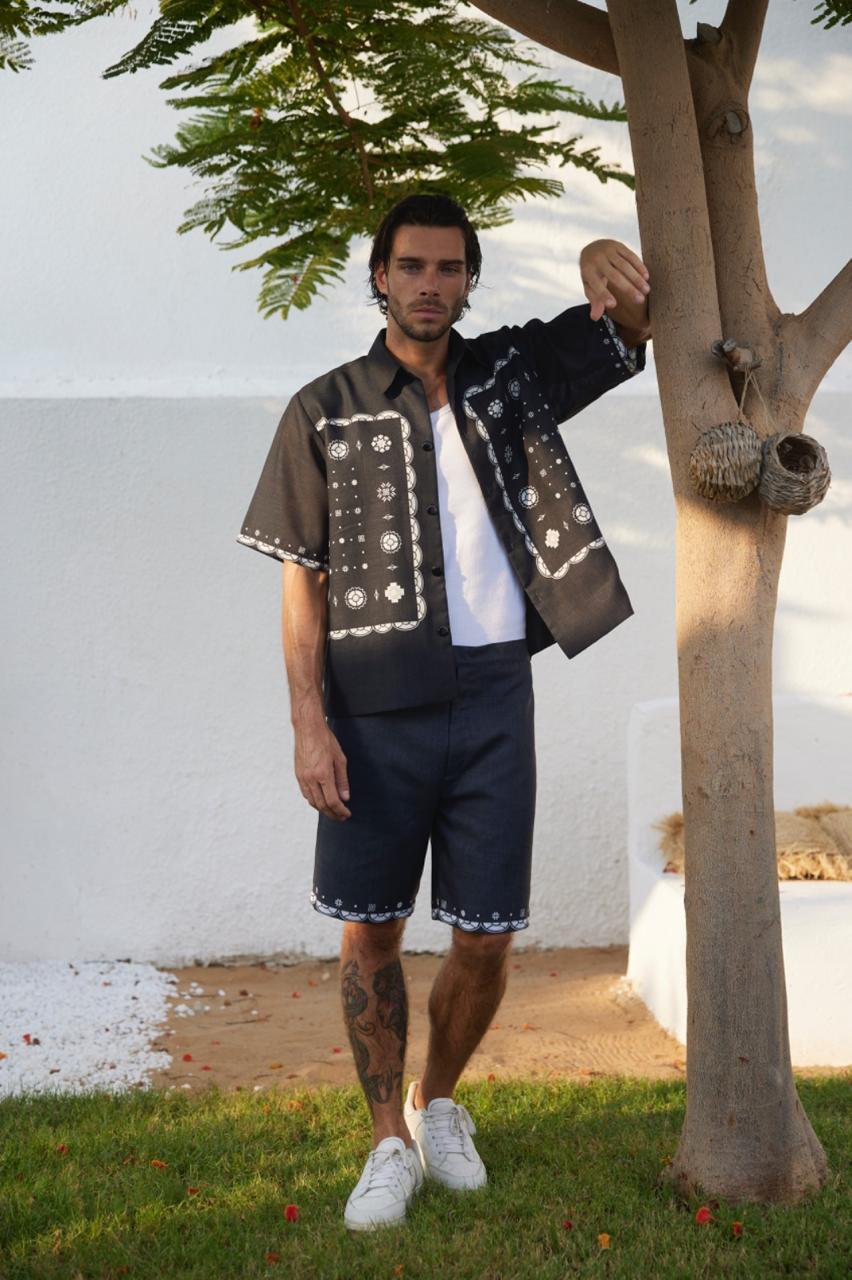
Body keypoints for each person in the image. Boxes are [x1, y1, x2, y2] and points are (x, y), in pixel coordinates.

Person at [237, 193, 651, 1231]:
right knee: (371, 928)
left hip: (497, 696)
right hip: (372, 711)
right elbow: (303, 584)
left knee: (487, 937)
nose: (430, 284)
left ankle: (437, 1101)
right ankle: (386, 1141)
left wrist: (606, 254)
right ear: (378, 276)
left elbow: (630, 328)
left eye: (450, 267)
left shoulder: (512, 374)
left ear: (469, 279)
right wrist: (307, 721)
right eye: (412, 266)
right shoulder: (320, 409)